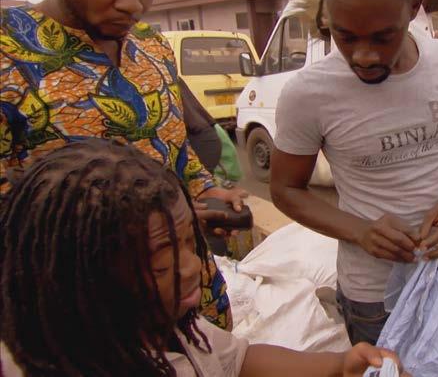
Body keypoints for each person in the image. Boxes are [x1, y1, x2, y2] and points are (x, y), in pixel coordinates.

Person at [0, 0, 247, 331]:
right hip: (92, 322)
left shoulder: (153, 47)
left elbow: (174, 148)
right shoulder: (7, 51)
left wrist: (205, 192)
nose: (133, 4)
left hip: (192, 298)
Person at [0, 139, 410, 377]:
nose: (193, 266)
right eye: (163, 264)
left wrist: (339, 365)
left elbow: (238, 360)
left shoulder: (168, 330)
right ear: (80, 284)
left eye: (189, 243)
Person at [270, 0, 438, 346]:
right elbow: (284, 189)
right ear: (328, 13)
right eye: (346, 36)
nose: (364, 56)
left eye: (383, 37)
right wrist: (361, 231)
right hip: (373, 300)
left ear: (414, 7)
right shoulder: (307, 94)